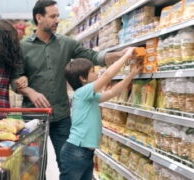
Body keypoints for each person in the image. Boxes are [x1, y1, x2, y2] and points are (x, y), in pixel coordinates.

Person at [13, 0, 134, 171]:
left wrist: (119, 55)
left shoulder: (66, 43)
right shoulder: (23, 48)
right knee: (33, 165)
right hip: (33, 117)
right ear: (39, 17)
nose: (57, 20)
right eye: (53, 16)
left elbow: (92, 56)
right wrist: (30, 91)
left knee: (67, 163)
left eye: (58, 16)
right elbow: (15, 80)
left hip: (61, 116)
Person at [60, 48, 142, 180]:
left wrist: (131, 75)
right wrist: (126, 55)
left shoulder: (89, 96)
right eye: (92, 71)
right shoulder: (82, 93)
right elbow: (107, 76)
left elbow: (111, 93)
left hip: (85, 152)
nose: (97, 73)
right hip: (76, 151)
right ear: (83, 78)